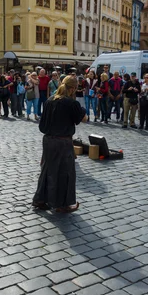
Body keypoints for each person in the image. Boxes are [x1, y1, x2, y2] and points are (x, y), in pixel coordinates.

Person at [32, 76, 87, 213]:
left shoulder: (49, 100)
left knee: (46, 169)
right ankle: (62, 204)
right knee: (65, 172)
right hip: (63, 142)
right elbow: (83, 119)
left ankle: (40, 199)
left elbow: (42, 124)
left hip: (48, 140)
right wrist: (82, 110)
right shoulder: (71, 103)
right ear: (73, 88)